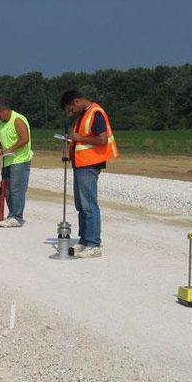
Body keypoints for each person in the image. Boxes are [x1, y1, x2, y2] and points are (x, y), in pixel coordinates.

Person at [60, 90, 119, 258]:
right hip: (80, 163)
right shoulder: (84, 115)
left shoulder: (96, 113)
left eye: (70, 109)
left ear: (76, 101)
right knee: (81, 206)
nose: (71, 113)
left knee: (89, 206)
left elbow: (102, 139)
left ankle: (93, 244)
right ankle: (85, 240)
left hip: (90, 164)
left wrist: (79, 138)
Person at [0, 98, 33, 228]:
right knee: (6, 189)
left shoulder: (18, 119)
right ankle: (11, 215)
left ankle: (17, 217)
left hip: (20, 159)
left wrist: (9, 149)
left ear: (5, 110)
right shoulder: (0, 122)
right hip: (7, 160)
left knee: (17, 189)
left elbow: (25, 139)